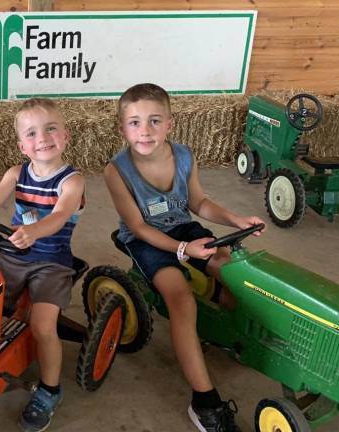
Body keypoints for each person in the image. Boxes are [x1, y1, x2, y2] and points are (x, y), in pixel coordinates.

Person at [104, 83, 265, 432]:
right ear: (122, 128)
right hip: (145, 238)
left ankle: (235, 333)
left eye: (154, 120)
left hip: (183, 227)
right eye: (134, 122)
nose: (144, 130)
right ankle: (204, 401)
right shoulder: (116, 171)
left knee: (234, 272)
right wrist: (182, 251)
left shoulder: (185, 156)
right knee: (181, 300)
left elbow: (198, 204)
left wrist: (236, 219)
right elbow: (137, 226)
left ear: (170, 125)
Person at [0, 98, 84, 432]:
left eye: (51, 128)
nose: (42, 138)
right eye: (32, 133)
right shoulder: (17, 173)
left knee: (42, 326)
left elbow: (60, 215)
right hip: (10, 254)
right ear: (21, 145)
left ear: (65, 136)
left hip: (51, 263)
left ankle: (51, 390)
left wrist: (33, 232)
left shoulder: (71, 181)